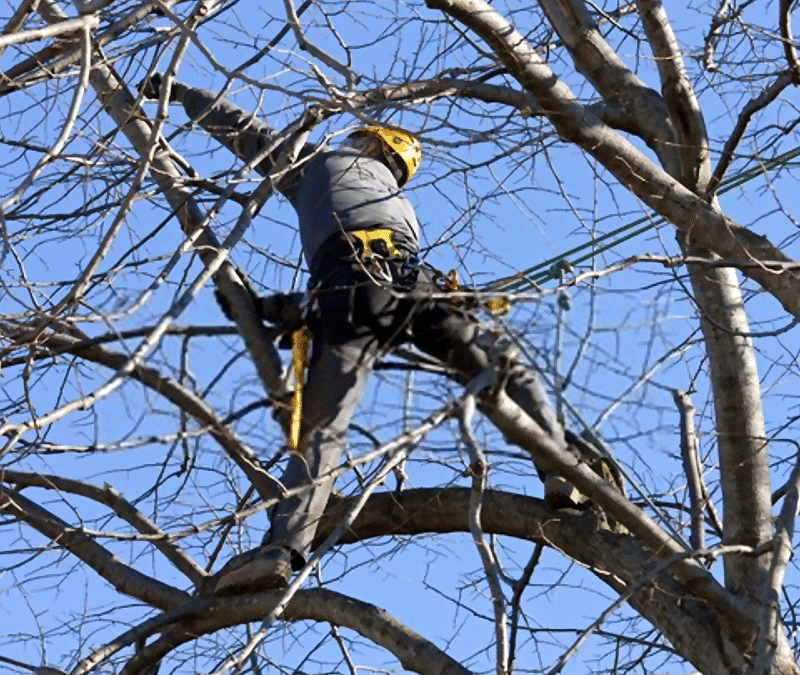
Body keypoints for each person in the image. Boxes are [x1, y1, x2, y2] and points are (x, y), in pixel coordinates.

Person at [139, 75, 604, 594]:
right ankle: (560, 469)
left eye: (359, 139)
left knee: (322, 434)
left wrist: (183, 94)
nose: (350, 143)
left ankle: (280, 550)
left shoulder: (320, 163)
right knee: (505, 369)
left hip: (348, 295)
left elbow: (242, 130)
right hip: (418, 289)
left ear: (375, 146)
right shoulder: (402, 208)